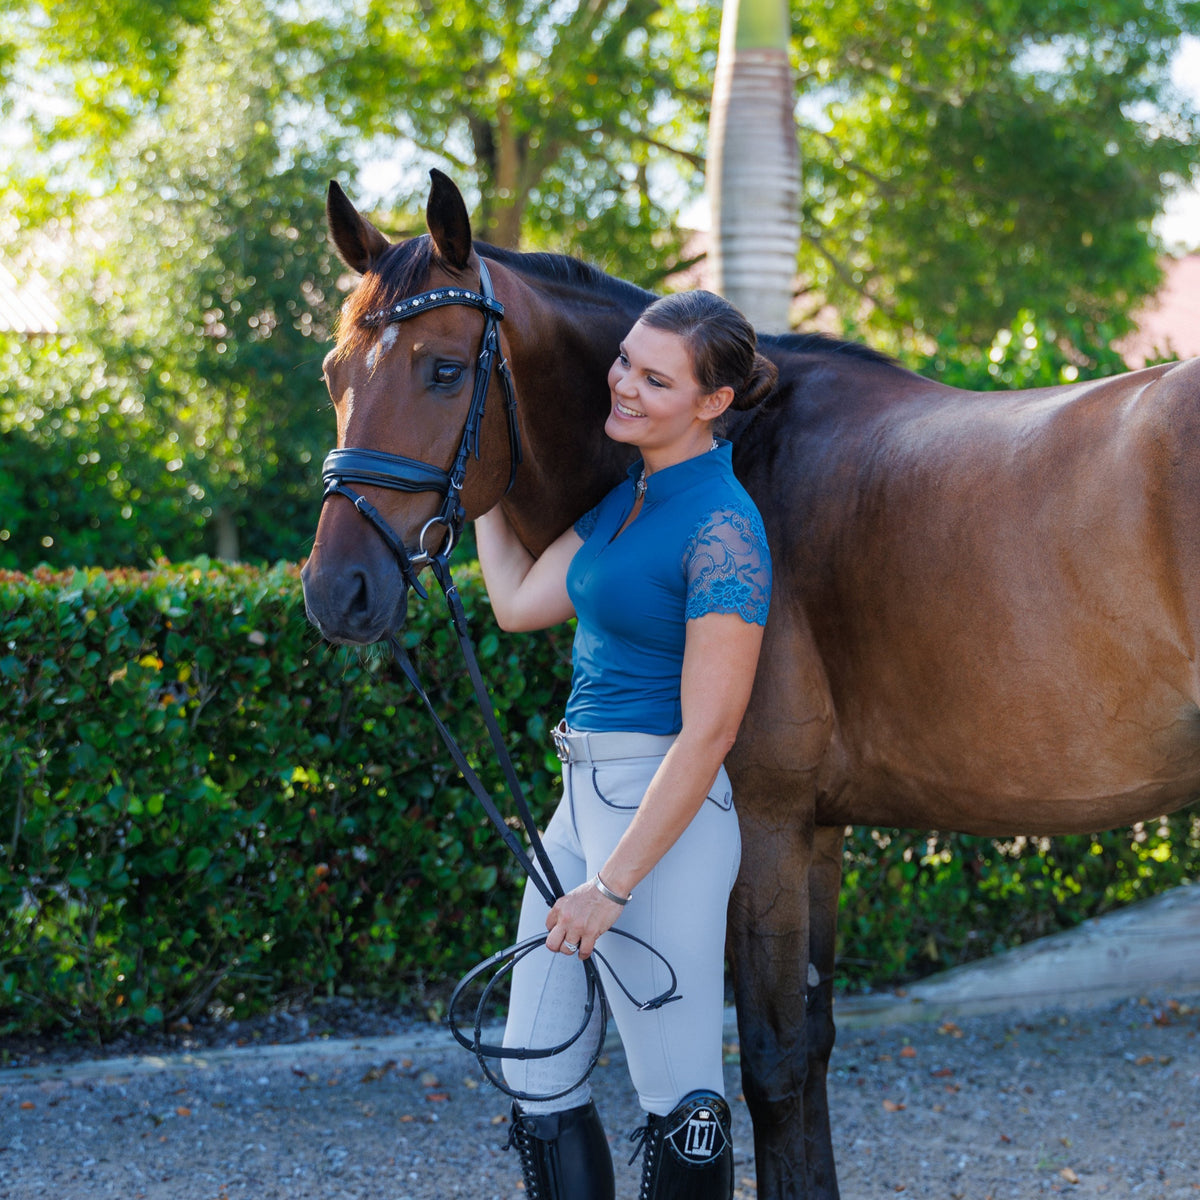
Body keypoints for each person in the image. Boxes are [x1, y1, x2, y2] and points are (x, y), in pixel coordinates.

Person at [474, 289, 777, 1200]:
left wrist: (612, 887)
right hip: (580, 805)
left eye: (656, 377)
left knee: (678, 1097)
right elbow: (519, 604)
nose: (626, 386)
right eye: (625, 363)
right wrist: (483, 477)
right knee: (537, 1070)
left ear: (712, 402)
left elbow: (711, 731)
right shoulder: (627, 499)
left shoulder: (724, 529)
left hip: (662, 825)